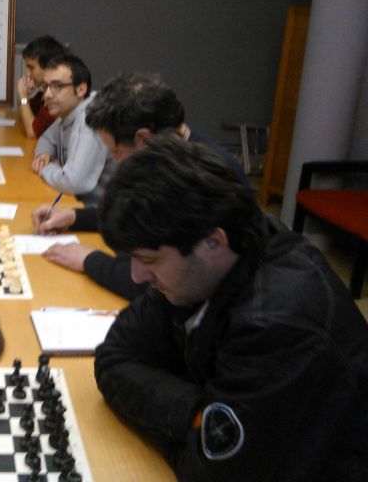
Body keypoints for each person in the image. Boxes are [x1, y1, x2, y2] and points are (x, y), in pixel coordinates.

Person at [93, 137, 368, 481]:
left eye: (148, 260)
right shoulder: (194, 269)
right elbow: (113, 356)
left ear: (213, 243)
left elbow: (210, 472)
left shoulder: (279, 322)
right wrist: (196, 413)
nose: (136, 275)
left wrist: (198, 428)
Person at [32, 73, 248, 299]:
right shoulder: (169, 157)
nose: (115, 161)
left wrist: (89, 260)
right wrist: (73, 217)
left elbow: (149, 283)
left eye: (115, 151)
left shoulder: (198, 179)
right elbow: (135, 216)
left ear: (143, 139)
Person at [31, 54, 113, 204]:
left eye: (57, 86)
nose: (47, 95)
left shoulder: (90, 120)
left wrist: (46, 168)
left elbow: (73, 182)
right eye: (45, 86)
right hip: (75, 202)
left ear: (81, 89)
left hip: (99, 211)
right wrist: (44, 154)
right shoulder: (68, 113)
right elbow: (47, 138)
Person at [17, 35, 66, 138]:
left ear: (48, 66)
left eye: (31, 68)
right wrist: (24, 97)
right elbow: (22, 117)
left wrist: (23, 95)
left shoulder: (57, 96)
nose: (28, 73)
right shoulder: (43, 94)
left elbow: (32, 132)